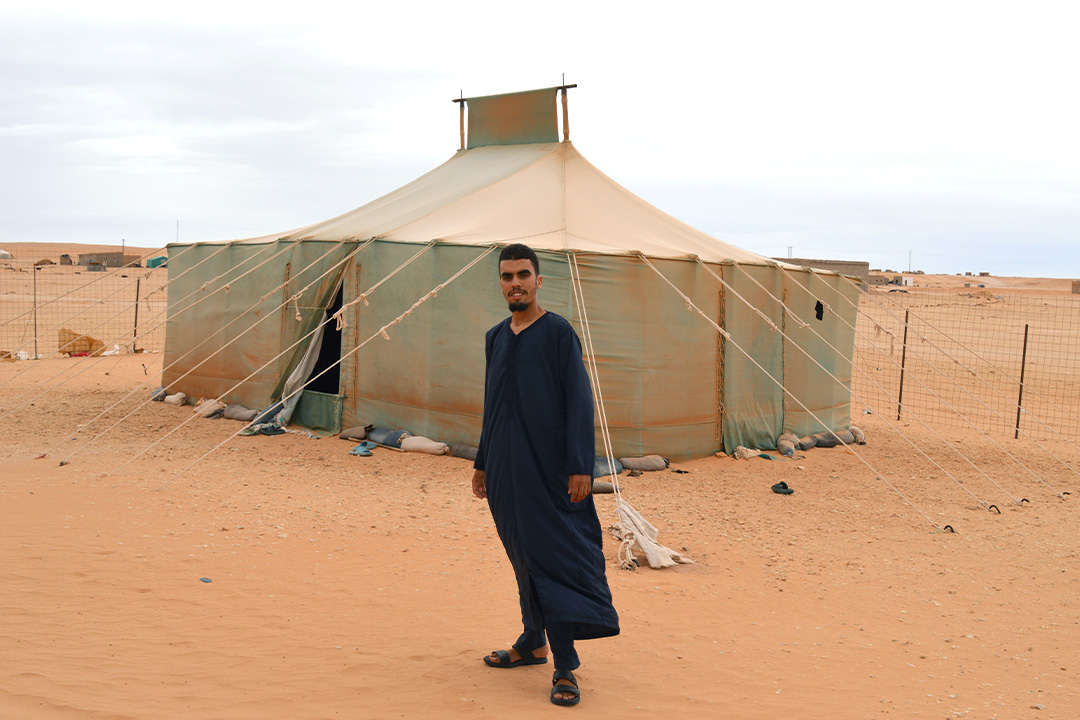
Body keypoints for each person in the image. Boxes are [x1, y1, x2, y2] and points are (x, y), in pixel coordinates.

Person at [471, 243, 619, 707]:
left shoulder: (558, 333)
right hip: (504, 469)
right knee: (522, 556)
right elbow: (492, 404)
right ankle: (533, 641)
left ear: (538, 280)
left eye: (523, 275)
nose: (515, 283)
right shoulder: (496, 337)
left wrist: (580, 466)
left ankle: (564, 665)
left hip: (550, 470)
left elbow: (579, 401)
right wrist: (482, 462)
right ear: (500, 283)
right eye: (507, 276)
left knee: (556, 559)